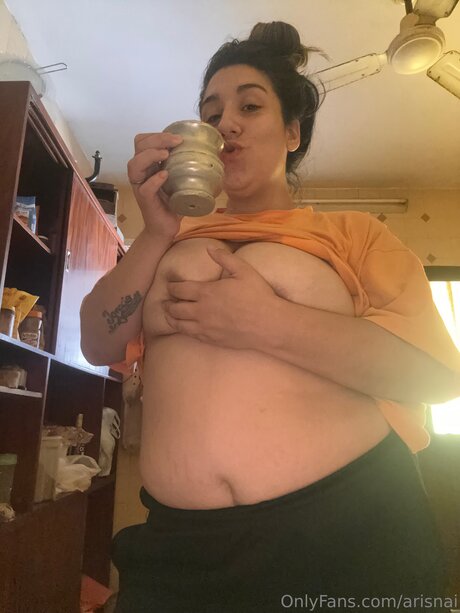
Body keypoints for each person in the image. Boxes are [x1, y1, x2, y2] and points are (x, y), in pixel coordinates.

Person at [80, 21, 460, 613]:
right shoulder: (167, 240)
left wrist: (266, 321)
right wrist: (155, 233)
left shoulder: (354, 234)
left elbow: (434, 376)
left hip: (345, 535)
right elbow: (96, 341)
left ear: (292, 131)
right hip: (181, 550)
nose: (225, 123)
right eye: (210, 114)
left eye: (250, 106)